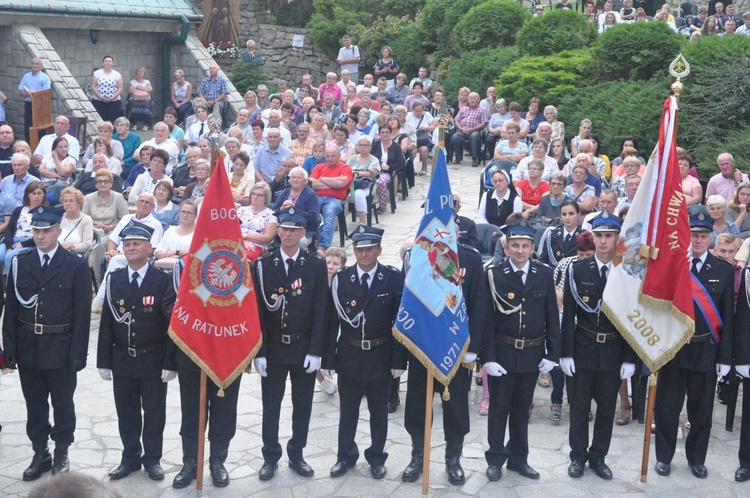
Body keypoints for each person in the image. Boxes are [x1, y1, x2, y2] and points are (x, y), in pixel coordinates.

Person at [2, 205, 91, 481]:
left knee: (63, 404)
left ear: (58, 231)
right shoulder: (21, 262)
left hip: (61, 346)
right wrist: (11, 347)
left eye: (46, 231)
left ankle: (61, 451)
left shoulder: (75, 265)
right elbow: (12, 310)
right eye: (36, 231)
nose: (40, 236)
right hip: (29, 345)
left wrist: (79, 352)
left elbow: (82, 314)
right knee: (35, 405)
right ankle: (40, 452)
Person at [396, 238, 487, 485]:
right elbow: (405, 302)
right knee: (416, 405)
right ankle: (418, 455)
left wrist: (473, 348)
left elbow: (479, 305)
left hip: (455, 347)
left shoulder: (470, 258)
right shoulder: (415, 256)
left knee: (456, 407)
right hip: (422, 346)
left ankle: (453, 458)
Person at [653, 205, 734, 479]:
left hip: (705, 351)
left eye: (703, 235)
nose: (698, 240)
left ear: (711, 238)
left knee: (701, 412)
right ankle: (663, 457)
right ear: (685, 235)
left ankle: (696, 459)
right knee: (666, 408)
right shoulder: (672, 267)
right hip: (674, 350)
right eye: (694, 234)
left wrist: (725, 357)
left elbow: (727, 319)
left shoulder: (723, 270)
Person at [253, 208, 331, 481]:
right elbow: (257, 312)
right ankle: (270, 456)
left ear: (302, 234)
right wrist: (259, 352)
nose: (287, 234)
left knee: (302, 405)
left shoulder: (315, 265)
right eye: (283, 229)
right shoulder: (262, 265)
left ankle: (297, 454)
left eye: (293, 230)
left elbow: (322, 309)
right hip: (273, 347)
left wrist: (316, 350)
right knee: (271, 405)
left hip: (302, 346)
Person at [96, 220, 176, 481]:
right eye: (126, 244)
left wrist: (170, 362)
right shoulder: (114, 279)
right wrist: (103, 360)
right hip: (122, 358)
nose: (130, 248)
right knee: (127, 412)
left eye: (136, 244)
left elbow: (169, 325)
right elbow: (107, 321)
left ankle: (152, 459)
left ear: (149, 248)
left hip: (152, 358)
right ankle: (130, 457)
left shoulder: (161, 281)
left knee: (154, 413)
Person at [560, 211, 637, 480]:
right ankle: (578, 457)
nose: (603, 241)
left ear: (617, 238)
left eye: (608, 236)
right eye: (599, 236)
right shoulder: (578, 269)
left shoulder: (627, 272)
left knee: (606, 409)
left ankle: (598, 457)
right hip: (582, 347)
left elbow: (631, 319)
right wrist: (565, 353)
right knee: (579, 408)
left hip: (613, 350)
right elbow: (568, 315)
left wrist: (630, 358)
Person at [483, 220, 559, 481]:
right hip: (503, 352)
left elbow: (552, 316)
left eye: (525, 246)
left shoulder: (544, 274)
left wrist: (552, 354)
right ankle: (494, 459)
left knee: (521, 409)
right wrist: (488, 358)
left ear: (532, 247)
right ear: (506, 247)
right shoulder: (493, 274)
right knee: (498, 410)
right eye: (514, 245)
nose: (519, 251)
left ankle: (519, 459)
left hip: (531, 353)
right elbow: (487, 319)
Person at [324, 226, 402, 480]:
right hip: (349, 352)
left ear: (379, 250)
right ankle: (345, 456)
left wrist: (400, 360)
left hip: (381, 353)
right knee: (348, 410)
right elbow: (331, 320)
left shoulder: (391, 277)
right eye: (359, 249)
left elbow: (400, 321)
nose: (364, 253)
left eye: (369, 249)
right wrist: (328, 358)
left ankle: (377, 457)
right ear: (354, 251)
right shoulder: (342, 278)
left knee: (379, 411)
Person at [92, 192, 164, 312]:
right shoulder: (126, 219)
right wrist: (110, 251)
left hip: (138, 258)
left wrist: (123, 254)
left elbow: (151, 251)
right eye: (141, 201)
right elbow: (113, 240)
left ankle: (100, 301)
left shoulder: (156, 225)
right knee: (115, 259)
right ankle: (109, 301)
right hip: (119, 255)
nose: (143, 204)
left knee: (116, 261)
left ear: (152, 207)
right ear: (136, 203)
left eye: (147, 202)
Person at [310, 146, 353, 254]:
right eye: (327, 156)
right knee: (308, 212)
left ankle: (323, 246)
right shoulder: (319, 167)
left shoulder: (345, 168)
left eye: (333, 156)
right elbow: (311, 183)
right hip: (316, 198)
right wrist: (333, 185)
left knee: (329, 213)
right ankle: (310, 240)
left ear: (339, 156)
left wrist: (322, 179)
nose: (330, 159)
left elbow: (341, 183)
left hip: (335, 200)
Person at [1, 181, 48, 269]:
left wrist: (23, 244)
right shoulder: (19, 210)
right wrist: (8, 247)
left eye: (39, 193)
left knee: (9, 256)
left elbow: (43, 235)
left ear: (44, 195)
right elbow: (9, 230)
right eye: (33, 193)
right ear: (28, 195)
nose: (36, 196)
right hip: (12, 241)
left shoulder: (46, 213)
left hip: (30, 244)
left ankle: (10, 282)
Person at [273, 166, 321, 246]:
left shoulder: (311, 195)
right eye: (293, 177)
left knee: (299, 242)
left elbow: (314, 218)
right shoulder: (285, 193)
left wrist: (295, 210)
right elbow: (272, 213)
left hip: (303, 230)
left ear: (305, 181)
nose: (295, 180)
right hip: (283, 229)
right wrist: (282, 208)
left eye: (299, 178)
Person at [237, 182, 277, 261]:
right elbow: (232, 230)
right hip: (237, 242)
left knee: (241, 257)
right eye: (253, 194)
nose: (255, 197)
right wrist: (243, 242)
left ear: (266, 198)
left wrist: (245, 236)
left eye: (259, 195)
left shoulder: (271, 215)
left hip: (256, 247)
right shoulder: (241, 210)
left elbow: (266, 238)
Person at [153, 199, 196, 270]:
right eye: (183, 212)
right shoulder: (170, 230)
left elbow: (198, 256)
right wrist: (168, 255)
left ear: (195, 216)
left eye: (189, 213)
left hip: (188, 270)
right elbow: (157, 252)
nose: (185, 215)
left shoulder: (197, 234)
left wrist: (177, 252)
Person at [347, 136, 380, 225]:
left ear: (370, 147)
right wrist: (361, 172)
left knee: (358, 193)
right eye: (360, 145)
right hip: (350, 185)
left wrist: (356, 173)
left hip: (367, 186)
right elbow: (346, 171)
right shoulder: (352, 159)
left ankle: (362, 222)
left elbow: (371, 174)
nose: (362, 147)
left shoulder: (374, 160)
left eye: (365, 145)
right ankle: (338, 222)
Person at [18, 58, 51, 142]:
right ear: (31, 65)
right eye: (33, 64)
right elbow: (21, 91)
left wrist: (35, 93)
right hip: (29, 104)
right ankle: (28, 147)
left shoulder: (45, 77)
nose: (35, 65)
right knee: (28, 127)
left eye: (37, 64)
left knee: (40, 128)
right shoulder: (26, 76)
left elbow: (46, 93)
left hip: (40, 106)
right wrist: (27, 93)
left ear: (41, 66)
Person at [451, 92, 487, 167]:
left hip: (475, 130)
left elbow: (484, 123)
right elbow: (456, 121)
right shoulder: (463, 109)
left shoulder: (481, 110)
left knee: (474, 137)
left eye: (474, 98)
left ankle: (474, 159)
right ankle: (458, 157)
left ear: (478, 100)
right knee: (455, 137)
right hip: (462, 130)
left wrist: (472, 129)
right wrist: (461, 129)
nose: (472, 100)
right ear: (468, 100)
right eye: (471, 99)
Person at [58, 187, 94, 255]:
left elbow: (87, 244)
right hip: (59, 254)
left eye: (71, 201)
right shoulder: (59, 218)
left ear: (79, 204)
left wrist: (70, 247)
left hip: (76, 256)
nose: (68, 203)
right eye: (65, 201)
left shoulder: (86, 219)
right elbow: (51, 240)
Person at [91, 55, 123, 123]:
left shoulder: (117, 75)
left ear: (112, 63)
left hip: (114, 102)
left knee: (113, 121)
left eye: (110, 61)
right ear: (103, 63)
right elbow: (93, 86)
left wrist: (112, 98)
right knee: (100, 120)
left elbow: (120, 88)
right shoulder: (96, 73)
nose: (108, 62)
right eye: (106, 61)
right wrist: (100, 97)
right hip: (98, 101)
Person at [126, 67, 153, 131]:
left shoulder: (147, 82)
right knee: (133, 106)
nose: (140, 73)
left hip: (145, 99)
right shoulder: (132, 81)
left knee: (146, 106)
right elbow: (130, 90)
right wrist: (144, 88)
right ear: (136, 73)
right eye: (139, 71)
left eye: (142, 72)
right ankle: (134, 124)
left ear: (144, 74)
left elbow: (150, 89)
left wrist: (138, 87)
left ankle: (146, 124)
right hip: (134, 99)